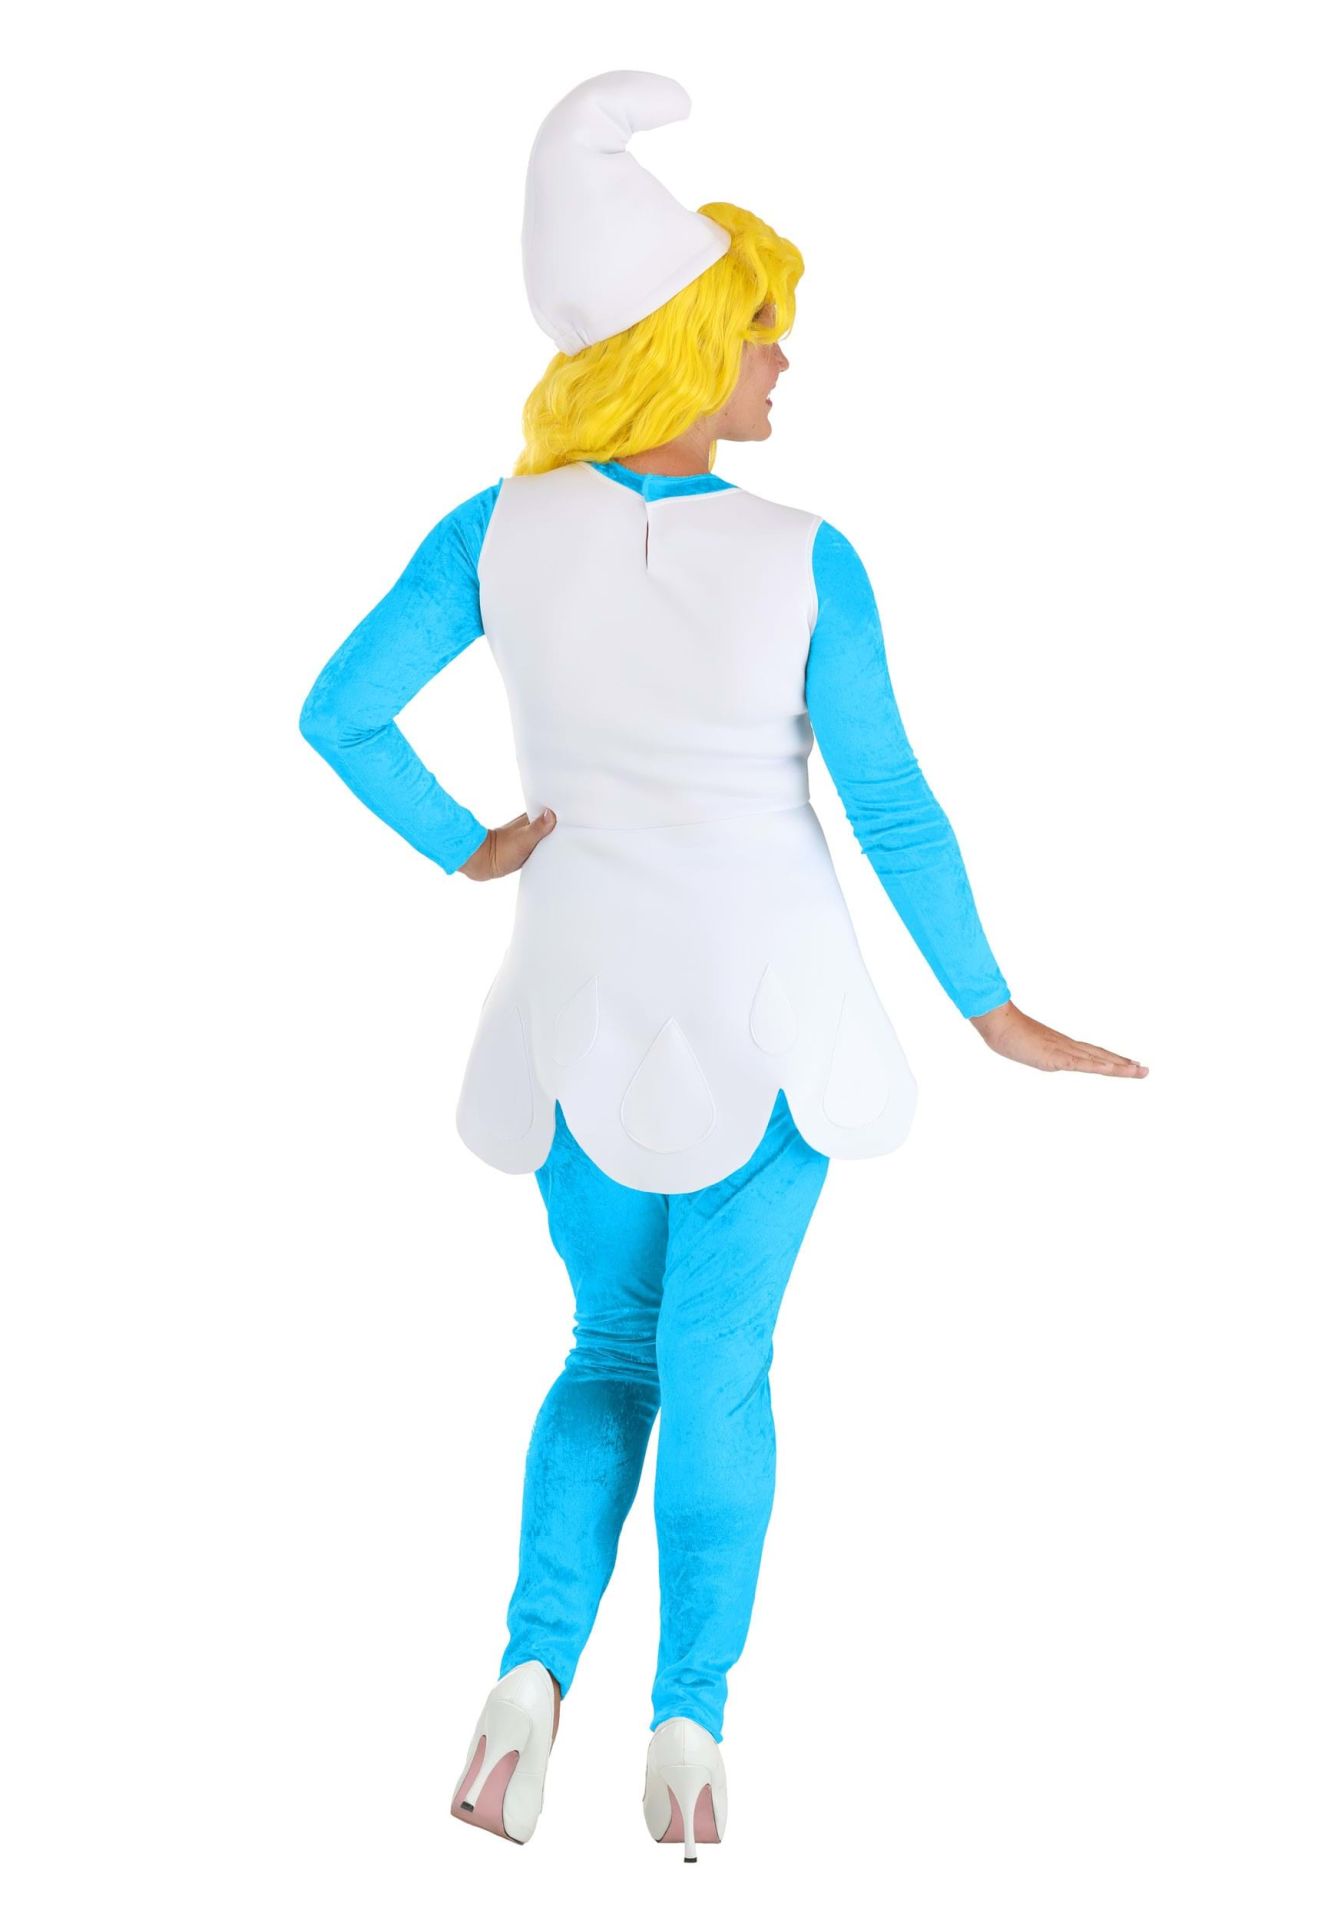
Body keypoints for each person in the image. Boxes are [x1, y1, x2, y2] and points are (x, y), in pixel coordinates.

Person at [297, 70, 1148, 1861]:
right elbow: (892, 805)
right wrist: (992, 1009)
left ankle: (527, 1680)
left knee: (605, 1347)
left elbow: (340, 711)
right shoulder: (804, 557)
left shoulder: (493, 532)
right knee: (722, 1368)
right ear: (690, 342)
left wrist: (466, 840)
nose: (782, 363)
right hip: (770, 1017)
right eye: (761, 330)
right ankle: (688, 1721)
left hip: (572, 1007)